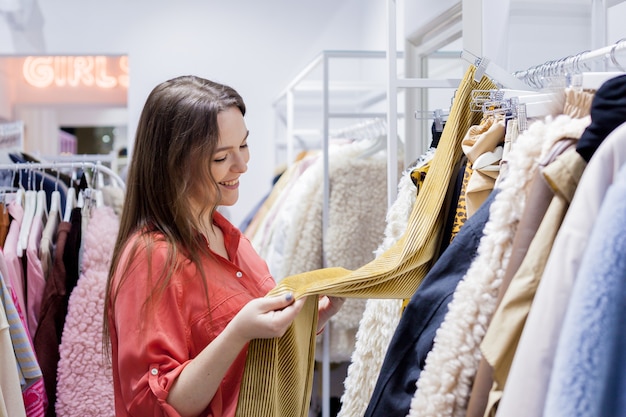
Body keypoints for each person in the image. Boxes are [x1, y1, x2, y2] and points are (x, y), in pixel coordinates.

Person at [103, 75, 344, 417]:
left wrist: (311, 317)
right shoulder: (151, 258)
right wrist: (238, 333)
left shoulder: (231, 238)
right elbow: (155, 405)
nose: (242, 166)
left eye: (244, 145)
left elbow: (254, 352)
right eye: (221, 158)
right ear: (174, 163)